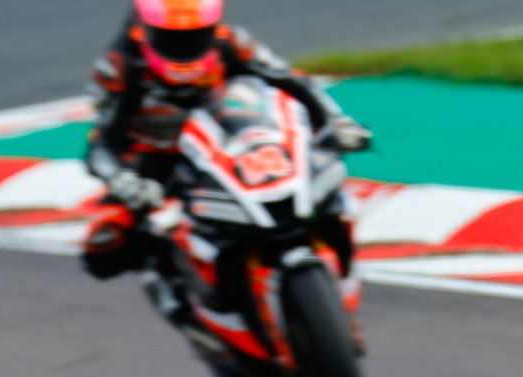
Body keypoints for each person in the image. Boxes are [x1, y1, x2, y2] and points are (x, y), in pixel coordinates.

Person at [80, 0, 372, 282]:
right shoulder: (119, 66)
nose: (184, 47)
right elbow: (101, 143)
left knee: (318, 169)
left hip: (231, 138)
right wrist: (123, 181)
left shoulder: (233, 42)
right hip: (162, 157)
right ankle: (174, 277)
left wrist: (336, 121)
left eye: (196, 36)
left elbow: (292, 81)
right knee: (104, 245)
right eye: (171, 38)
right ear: (144, 31)